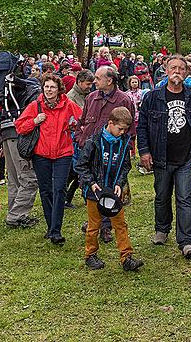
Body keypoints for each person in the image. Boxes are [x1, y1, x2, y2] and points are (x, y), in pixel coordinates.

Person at [137, 55, 191, 260]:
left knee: (185, 198)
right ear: (165, 71)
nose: (177, 71)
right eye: (173, 67)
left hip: (186, 157)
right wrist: (144, 151)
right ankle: (162, 229)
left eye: (181, 68)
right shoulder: (153, 96)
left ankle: (186, 241)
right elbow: (141, 126)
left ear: (186, 72)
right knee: (161, 196)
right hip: (160, 156)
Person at [14, 74, 81, 245]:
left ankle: (55, 230)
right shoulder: (35, 105)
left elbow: (81, 121)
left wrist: (73, 126)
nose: (48, 90)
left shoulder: (68, 105)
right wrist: (35, 121)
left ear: (59, 89)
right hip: (41, 154)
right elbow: (20, 127)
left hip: (63, 153)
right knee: (45, 191)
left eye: (52, 87)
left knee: (59, 189)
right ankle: (52, 227)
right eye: (46, 87)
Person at [75, 106, 143, 272]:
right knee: (94, 225)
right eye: (120, 129)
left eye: (125, 130)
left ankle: (126, 257)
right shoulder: (94, 142)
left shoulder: (124, 143)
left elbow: (125, 166)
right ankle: (90, 255)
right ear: (110, 123)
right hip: (95, 192)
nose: (122, 132)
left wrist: (120, 183)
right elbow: (81, 165)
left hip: (114, 192)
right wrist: (91, 182)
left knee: (120, 224)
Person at [76, 65, 136, 243]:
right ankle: (95, 222)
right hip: (91, 154)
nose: (94, 81)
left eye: (97, 78)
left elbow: (130, 130)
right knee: (90, 188)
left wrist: (126, 149)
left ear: (109, 80)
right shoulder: (91, 98)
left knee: (111, 190)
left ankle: (106, 226)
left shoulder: (124, 100)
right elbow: (82, 121)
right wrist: (81, 139)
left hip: (112, 157)